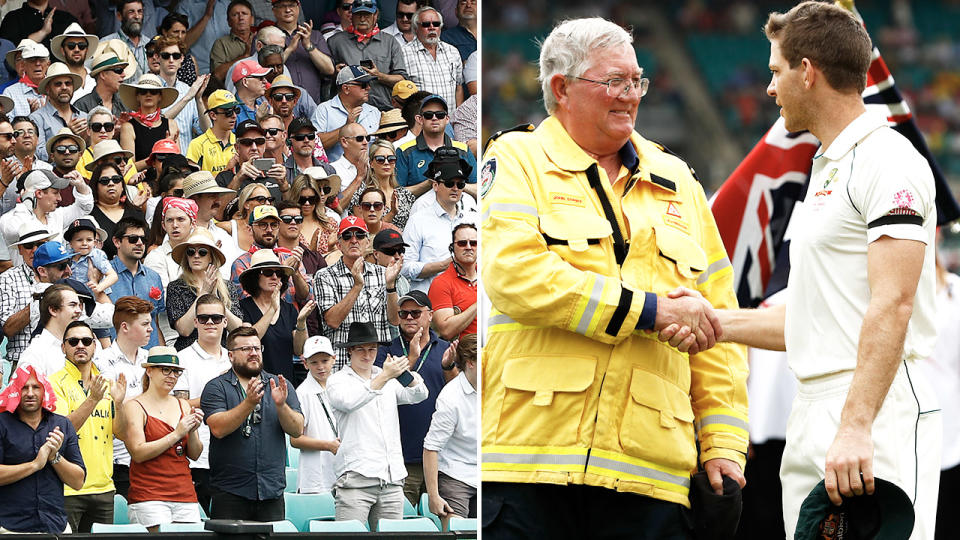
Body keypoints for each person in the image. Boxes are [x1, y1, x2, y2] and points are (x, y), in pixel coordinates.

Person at [481, 17, 747, 538]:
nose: (630, 96)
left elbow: (719, 333)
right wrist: (650, 311)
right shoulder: (516, 158)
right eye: (614, 83)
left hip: (651, 479)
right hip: (529, 465)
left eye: (637, 81)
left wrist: (722, 447)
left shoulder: (682, 184)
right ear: (562, 88)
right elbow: (512, 273)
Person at [689, 3, 939, 538]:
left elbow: (893, 305)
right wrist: (712, 321)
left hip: (874, 407)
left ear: (808, 71)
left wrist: (855, 424)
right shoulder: (826, 169)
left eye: (776, 71)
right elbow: (809, 319)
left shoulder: (889, 162)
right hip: (813, 405)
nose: (769, 88)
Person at [327, 321, 428, 529]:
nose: (367, 355)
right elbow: (348, 402)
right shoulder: (337, 380)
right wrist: (385, 375)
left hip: (391, 479)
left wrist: (403, 371)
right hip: (356, 478)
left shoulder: (387, 378)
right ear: (349, 352)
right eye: (361, 349)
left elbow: (419, 394)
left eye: (372, 349)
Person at [201, 326, 304, 521]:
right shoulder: (216, 387)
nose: (254, 353)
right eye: (246, 349)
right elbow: (218, 428)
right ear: (230, 355)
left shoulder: (280, 384)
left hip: (271, 491)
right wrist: (248, 403)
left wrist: (281, 406)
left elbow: (297, 430)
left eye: (257, 348)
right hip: (230, 492)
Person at [375, 290, 453, 505]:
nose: (409, 318)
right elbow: (380, 388)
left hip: (441, 457)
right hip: (401, 456)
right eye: (403, 313)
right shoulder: (386, 351)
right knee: (403, 527)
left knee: (442, 523)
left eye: (416, 313)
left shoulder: (446, 349)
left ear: (430, 315)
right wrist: (411, 358)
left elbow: (456, 390)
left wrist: (449, 366)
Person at [50, 320, 127, 533]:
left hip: (104, 486)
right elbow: (63, 432)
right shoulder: (54, 382)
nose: (80, 345)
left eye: (86, 341)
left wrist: (119, 406)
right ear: (63, 347)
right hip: (68, 488)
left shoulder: (107, 383)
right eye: (73, 341)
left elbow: (120, 433)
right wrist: (93, 399)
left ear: (95, 345)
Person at [122, 347, 203, 531]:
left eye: (176, 371)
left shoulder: (182, 404)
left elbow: (195, 454)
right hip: (149, 495)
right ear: (149, 371)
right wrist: (177, 434)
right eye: (165, 370)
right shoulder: (134, 406)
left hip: (184, 493)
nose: (172, 376)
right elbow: (138, 452)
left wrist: (193, 430)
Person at [0, 365, 85, 534]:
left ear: (44, 390)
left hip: (55, 526)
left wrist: (55, 458)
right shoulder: (2, 423)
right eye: (24, 387)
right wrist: (35, 465)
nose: (30, 393)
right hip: (11, 528)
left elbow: (78, 482)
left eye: (36, 387)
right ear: (15, 390)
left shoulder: (62, 425)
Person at [172, 294, 233, 513]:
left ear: (225, 321)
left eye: (216, 318)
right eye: (204, 318)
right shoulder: (181, 359)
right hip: (199, 457)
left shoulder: (234, 358)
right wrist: (219, 389)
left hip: (233, 457)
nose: (210, 323)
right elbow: (178, 407)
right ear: (195, 321)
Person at [315, 216, 401, 369]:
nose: (354, 240)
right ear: (339, 244)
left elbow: (395, 320)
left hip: (379, 363)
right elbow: (332, 321)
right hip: (342, 364)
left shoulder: (384, 273)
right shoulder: (325, 276)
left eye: (360, 235)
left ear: (367, 242)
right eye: (347, 236)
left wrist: (390, 285)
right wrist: (357, 286)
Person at [95, 296, 153, 499]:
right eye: (145, 323)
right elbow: (111, 408)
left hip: (151, 456)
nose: (151, 329)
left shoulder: (150, 360)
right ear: (125, 327)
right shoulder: (101, 361)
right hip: (117, 459)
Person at [400, 151, 474, 293]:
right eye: (449, 183)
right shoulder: (418, 219)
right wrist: (442, 266)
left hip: (467, 298)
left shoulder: (472, 218)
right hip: (430, 299)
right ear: (435, 186)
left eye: (460, 184)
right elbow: (404, 267)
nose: (455, 188)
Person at [423, 333, 476, 529]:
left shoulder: (496, 389)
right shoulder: (450, 397)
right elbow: (431, 448)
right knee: (459, 534)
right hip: (455, 477)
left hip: (486, 474)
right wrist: (434, 496)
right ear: (470, 363)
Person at [237, 248, 312, 381]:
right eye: (268, 272)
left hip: (286, 382)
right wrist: (272, 309)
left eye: (278, 273)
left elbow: (299, 350)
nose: (274, 277)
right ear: (255, 277)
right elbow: (249, 340)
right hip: (255, 384)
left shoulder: (289, 309)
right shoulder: (244, 306)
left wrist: (301, 324)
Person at [167, 229, 243, 351]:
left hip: (219, 353)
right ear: (186, 257)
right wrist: (202, 294)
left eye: (202, 252)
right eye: (191, 252)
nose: (196, 256)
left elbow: (237, 329)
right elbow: (184, 330)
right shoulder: (176, 287)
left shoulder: (227, 286)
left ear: (211, 257)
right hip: (188, 352)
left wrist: (216, 299)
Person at [327, 0, 408, 111]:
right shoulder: (335, 42)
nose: (362, 19)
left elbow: (402, 80)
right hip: (347, 110)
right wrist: (335, 73)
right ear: (352, 16)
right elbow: (325, 79)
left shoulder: (390, 42)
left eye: (367, 15)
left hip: (384, 110)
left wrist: (379, 75)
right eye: (358, 15)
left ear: (376, 15)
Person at [229, 204, 311, 305]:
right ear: (250, 229)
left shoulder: (289, 256)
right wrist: (283, 272)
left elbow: (307, 297)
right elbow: (247, 303)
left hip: (292, 319)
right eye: (263, 225)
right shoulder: (241, 263)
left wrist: (296, 273)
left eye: (274, 225)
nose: (269, 230)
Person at [395, 95, 476, 197]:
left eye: (440, 115)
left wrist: (454, 182)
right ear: (419, 119)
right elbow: (396, 194)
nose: (434, 118)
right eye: (428, 115)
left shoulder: (462, 149)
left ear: (447, 119)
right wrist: (429, 183)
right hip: (418, 211)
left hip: (457, 210)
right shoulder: (404, 151)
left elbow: (479, 189)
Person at [0, 223, 55, 370]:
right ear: (20, 249)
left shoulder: (62, 271)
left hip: (57, 362)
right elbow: (8, 329)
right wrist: (40, 298)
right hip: (22, 362)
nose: (35, 250)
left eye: (41, 245)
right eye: (29, 245)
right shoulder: (8, 278)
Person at [291, 336, 340, 495]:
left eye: (325, 361)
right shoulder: (302, 394)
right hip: (315, 477)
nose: (320, 367)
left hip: (342, 471)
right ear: (305, 363)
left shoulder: (342, 387)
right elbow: (295, 439)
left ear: (334, 359)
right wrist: (328, 445)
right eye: (314, 362)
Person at [108, 216, 166, 349]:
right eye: (133, 239)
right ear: (117, 242)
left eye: (144, 239)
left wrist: (161, 352)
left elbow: (155, 321)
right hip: (116, 354)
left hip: (149, 353)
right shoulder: (103, 275)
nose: (139, 243)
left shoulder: (153, 277)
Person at [270, 0, 335, 104]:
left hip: (313, 104)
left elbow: (330, 69)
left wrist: (309, 46)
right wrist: (289, 49)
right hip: (280, 104)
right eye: (282, 6)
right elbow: (264, 71)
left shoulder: (315, 35)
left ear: (298, 7)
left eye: (291, 5)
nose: (287, 10)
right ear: (274, 10)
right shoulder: (266, 36)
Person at [313, 66, 381, 163]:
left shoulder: (374, 112)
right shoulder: (324, 110)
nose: (368, 88)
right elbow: (315, 144)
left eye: (369, 84)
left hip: (369, 173)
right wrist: (345, 128)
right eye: (363, 85)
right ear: (346, 88)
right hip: (336, 174)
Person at [401, 8, 463, 111]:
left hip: (449, 122)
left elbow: (458, 87)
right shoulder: (404, 53)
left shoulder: (453, 52)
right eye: (426, 24)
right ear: (416, 28)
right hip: (420, 122)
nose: (432, 28)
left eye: (436, 24)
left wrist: (458, 118)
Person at [155, 37, 209, 154]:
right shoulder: (150, 88)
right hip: (160, 161)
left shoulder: (188, 90)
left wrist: (198, 99)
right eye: (165, 56)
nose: (171, 60)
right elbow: (157, 124)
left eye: (176, 56)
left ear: (182, 59)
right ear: (157, 58)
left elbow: (206, 130)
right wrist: (187, 98)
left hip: (186, 162)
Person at [182, 170, 240, 278]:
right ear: (194, 200)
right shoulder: (179, 234)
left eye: (218, 196)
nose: (218, 201)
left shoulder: (224, 236)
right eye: (212, 196)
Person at [347, 139, 414, 229]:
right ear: (371, 164)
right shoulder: (362, 194)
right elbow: (364, 230)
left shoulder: (405, 194)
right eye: (380, 159)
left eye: (391, 159)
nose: (386, 163)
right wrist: (392, 213)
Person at [118, 74, 180, 171]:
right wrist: (159, 153)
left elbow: (177, 162)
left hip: (166, 181)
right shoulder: (128, 127)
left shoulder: (171, 124)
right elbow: (129, 168)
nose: (148, 94)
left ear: (160, 96)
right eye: (143, 92)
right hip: (139, 183)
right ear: (137, 96)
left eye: (153, 92)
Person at [19, 283, 84, 377]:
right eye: (72, 305)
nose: (79, 311)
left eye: (79, 305)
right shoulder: (35, 353)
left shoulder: (81, 345)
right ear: (53, 310)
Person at [215, 119, 287, 201]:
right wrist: (238, 179)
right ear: (237, 148)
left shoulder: (276, 175)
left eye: (259, 142)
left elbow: (291, 209)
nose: (254, 148)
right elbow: (219, 211)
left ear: (264, 146)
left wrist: (284, 187)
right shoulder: (224, 178)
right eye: (247, 142)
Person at [88, 160, 146, 260]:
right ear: (95, 186)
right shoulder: (89, 216)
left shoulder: (136, 213)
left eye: (116, 179)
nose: (111, 183)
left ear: (122, 186)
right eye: (104, 181)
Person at [428, 223, 476, 340]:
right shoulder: (441, 283)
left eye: (474, 243)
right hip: (462, 355)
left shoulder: (488, 275)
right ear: (452, 248)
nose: (468, 247)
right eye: (462, 243)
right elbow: (446, 330)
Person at [29, 62, 83, 162]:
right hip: (51, 175)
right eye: (58, 84)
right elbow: (39, 156)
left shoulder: (84, 116)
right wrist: (67, 134)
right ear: (48, 89)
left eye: (68, 83)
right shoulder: (36, 118)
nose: (64, 87)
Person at [285, 167, 341, 255]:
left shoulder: (330, 224)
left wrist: (332, 249)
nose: (307, 203)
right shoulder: (288, 224)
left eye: (311, 199)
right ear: (295, 198)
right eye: (302, 200)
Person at [76, 111, 137, 185]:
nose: (103, 131)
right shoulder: (80, 158)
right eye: (97, 127)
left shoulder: (124, 158)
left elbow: (140, 192)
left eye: (108, 126)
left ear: (113, 130)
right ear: (88, 131)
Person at [187, 90, 239, 175]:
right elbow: (194, 183)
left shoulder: (240, 142)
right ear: (213, 115)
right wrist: (227, 169)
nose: (234, 116)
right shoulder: (197, 144)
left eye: (236, 110)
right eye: (228, 112)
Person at [66, 217, 117, 297]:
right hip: (74, 297)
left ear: (94, 242)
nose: (84, 243)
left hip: (96, 298)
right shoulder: (66, 256)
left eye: (89, 240)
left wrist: (99, 287)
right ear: (70, 243)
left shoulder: (96, 255)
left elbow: (113, 275)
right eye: (79, 240)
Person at [210, 0, 255, 84]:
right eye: (235, 15)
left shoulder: (260, 40)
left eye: (244, 14)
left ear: (252, 19)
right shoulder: (221, 44)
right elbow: (216, 76)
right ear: (229, 22)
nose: (241, 18)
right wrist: (245, 56)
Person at [1, 41, 48, 118]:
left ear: (48, 63)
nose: (37, 64)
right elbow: (7, 127)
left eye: (41, 59)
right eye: (32, 59)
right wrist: (31, 118)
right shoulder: (10, 92)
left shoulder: (57, 87)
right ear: (24, 65)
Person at [74, 53, 129, 117]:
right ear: (103, 75)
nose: (123, 75)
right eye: (119, 70)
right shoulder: (82, 105)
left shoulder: (124, 104)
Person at [102, 0, 149, 75]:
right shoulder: (106, 43)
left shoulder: (149, 44)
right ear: (119, 16)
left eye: (140, 12)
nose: (137, 16)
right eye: (131, 12)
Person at [329, 122, 370, 207]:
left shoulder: (376, 164)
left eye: (367, 138)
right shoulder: (333, 169)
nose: (365, 142)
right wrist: (359, 178)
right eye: (359, 138)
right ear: (344, 142)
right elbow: (336, 207)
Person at [157, 13, 201, 85]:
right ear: (164, 32)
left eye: (183, 32)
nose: (180, 36)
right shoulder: (157, 57)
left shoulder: (190, 60)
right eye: (176, 32)